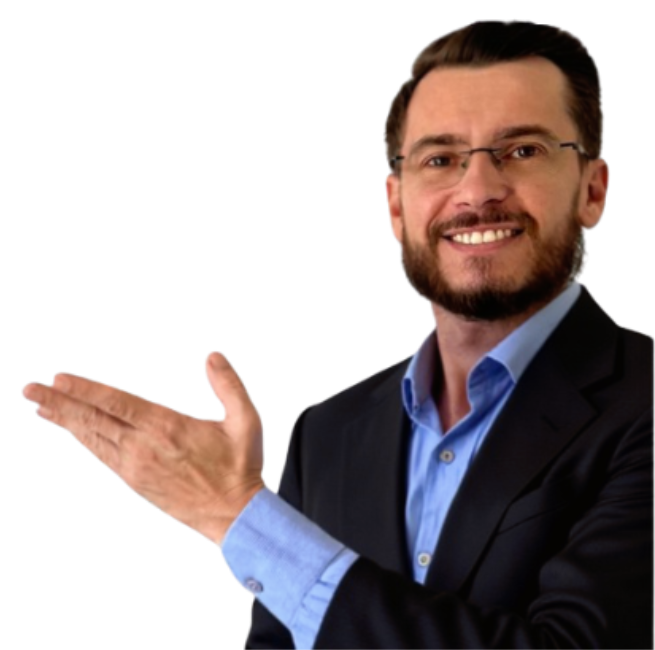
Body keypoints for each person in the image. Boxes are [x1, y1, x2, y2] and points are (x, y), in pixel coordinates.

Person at [19, 19, 653, 650]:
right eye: (440, 159)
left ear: (593, 191)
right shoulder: (328, 432)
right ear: (395, 207)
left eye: (523, 151)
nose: (478, 190)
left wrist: (238, 515)